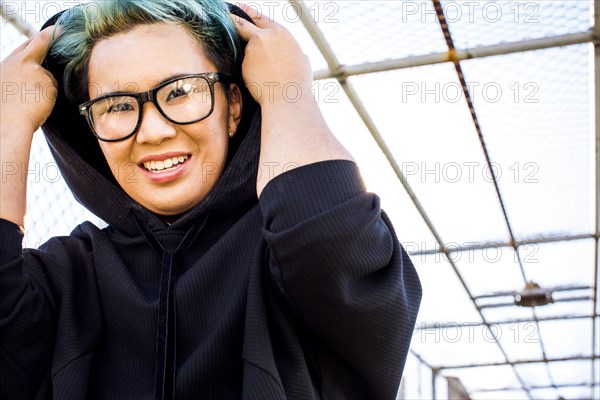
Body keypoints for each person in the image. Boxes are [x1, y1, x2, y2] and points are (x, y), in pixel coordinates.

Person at [0, 1, 422, 399]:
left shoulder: (280, 258)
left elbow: (332, 244)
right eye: (117, 105)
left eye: (181, 91)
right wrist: (7, 119)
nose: (153, 132)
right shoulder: (66, 275)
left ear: (234, 105)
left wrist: (285, 91)